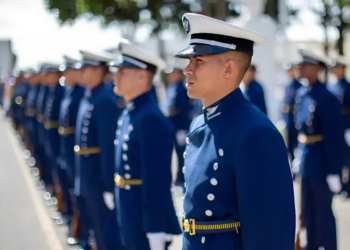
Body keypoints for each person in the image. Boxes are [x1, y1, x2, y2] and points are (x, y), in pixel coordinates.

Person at [174, 13, 295, 249]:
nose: (187, 69)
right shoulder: (199, 124)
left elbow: (269, 234)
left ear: (229, 69)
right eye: (188, 60)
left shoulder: (256, 133)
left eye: (198, 60)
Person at [111, 39, 181, 250]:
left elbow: (157, 178)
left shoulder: (150, 118)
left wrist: (155, 226)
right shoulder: (131, 112)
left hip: (144, 217)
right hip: (130, 209)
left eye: (122, 72)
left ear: (142, 75)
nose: (116, 77)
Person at [295, 48, 343, 250]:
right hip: (306, 160)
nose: (300, 68)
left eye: (304, 65)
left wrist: (334, 171)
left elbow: (333, 138)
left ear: (316, 68)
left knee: (324, 212)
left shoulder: (327, 97)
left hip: (321, 164)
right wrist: (297, 155)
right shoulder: (302, 93)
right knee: (307, 211)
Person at [74, 50, 122, 250]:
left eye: (86, 69)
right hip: (84, 176)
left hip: (96, 179)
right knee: (91, 228)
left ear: (97, 71)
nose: (81, 73)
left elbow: (108, 146)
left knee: (104, 233)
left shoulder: (104, 100)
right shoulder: (89, 96)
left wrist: (108, 187)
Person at [56, 56, 86, 245]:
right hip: (66, 146)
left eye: (69, 71)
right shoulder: (70, 92)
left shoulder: (81, 93)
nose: (65, 75)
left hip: (77, 150)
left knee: (79, 194)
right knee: (67, 184)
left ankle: (81, 231)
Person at [165, 62, 194, 190]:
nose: (172, 75)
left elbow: (185, 108)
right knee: (173, 153)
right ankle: (176, 178)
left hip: (180, 125)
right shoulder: (171, 87)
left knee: (181, 153)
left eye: (174, 73)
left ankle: (181, 179)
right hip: (172, 125)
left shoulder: (182, 88)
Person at [328, 55, 350, 197]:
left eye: (337, 67)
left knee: (347, 159)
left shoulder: (347, 87)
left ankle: (348, 188)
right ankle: (340, 185)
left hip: (346, 126)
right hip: (336, 127)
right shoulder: (332, 86)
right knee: (338, 156)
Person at [281, 62, 302, 166]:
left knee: (297, 144)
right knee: (289, 145)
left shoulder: (300, 86)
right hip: (288, 119)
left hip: (296, 118)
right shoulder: (287, 86)